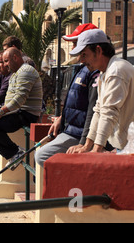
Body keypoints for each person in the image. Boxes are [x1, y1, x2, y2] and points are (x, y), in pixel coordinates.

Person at [35, 23, 100, 166]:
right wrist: (62, 118)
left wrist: (84, 144)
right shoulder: (83, 68)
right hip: (71, 130)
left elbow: (94, 110)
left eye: (76, 43)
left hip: (81, 135)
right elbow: (74, 102)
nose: (73, 48)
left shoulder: (94, 71)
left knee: (43, 156)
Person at [67, 29, 134, 153]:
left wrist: (95, 150)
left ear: (98, 51)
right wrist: (87, 146)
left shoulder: (116, 71)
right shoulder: (106, 72)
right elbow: (99, 110)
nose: (81, 60)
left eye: (84, 54)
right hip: (126, 146)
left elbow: (109, 112)